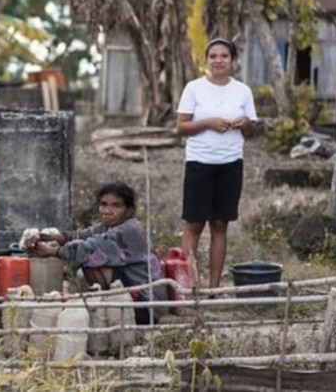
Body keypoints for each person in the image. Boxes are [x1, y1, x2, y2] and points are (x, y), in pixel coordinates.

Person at [175, 38, 257, 291]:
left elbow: (252, 132)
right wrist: (208, 123)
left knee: (220, 225)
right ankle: (186, 288)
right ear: (206, 60)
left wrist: (246, 124)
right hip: (200, 164)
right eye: (213, 56)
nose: (218, 60)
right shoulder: (194, 88)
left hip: (230, 164)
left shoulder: (242, 91)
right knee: (193, 224)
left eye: (224, 56)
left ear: (232, 60)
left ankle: (212, 289)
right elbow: (181, 127)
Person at [25, 182, 165, 324]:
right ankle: (104, 309)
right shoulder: (109, 226)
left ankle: (105, 313)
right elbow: (80, 236)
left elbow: (86, 250)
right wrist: (46, 236)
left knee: (90, 262)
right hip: (134, 295)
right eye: (104, 204)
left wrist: (51, 251)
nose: (107, 211)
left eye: (116, 206)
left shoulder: (129, 230)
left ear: (128, 211)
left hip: (147, 305)